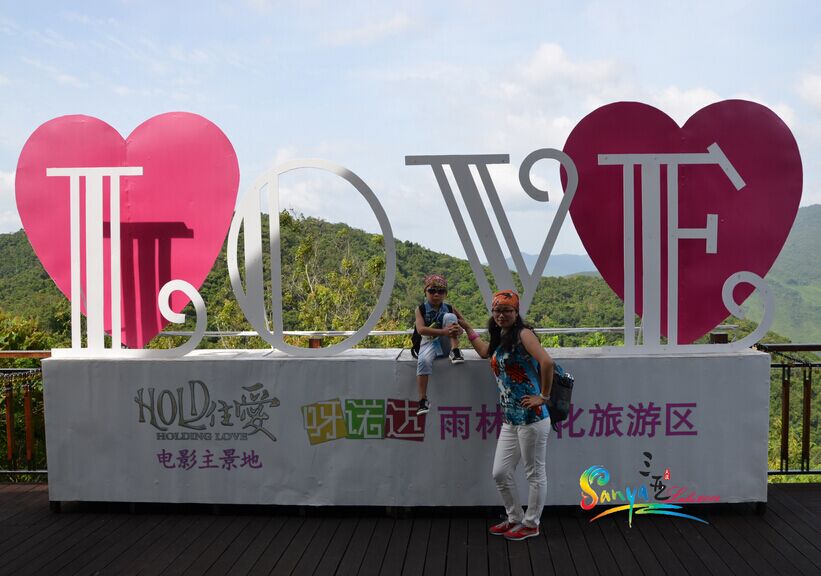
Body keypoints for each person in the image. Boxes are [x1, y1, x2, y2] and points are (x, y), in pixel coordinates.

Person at [461, 289, 554, 541]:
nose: (501, 315)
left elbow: (547, 362)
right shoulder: (500, 335)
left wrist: (543, 396)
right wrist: (467, 328)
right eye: (497, 310)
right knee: (500, 472)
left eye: (507, 310)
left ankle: (531, 524)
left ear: (516, 312)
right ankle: (514, 518)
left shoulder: (523, 334)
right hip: (511, 419)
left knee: (534, 474)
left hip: (532, 417)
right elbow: (484, 352)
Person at [415, 274, 466, 415]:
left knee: (450, 317)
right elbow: (421, 329)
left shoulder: (449, 308)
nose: (436, 294)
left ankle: (455, 350)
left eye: (441, 291)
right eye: (432, 291)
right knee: (423, 361)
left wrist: (457, 330)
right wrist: (443, 331)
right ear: (425, 292)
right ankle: (422, 399)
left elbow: (462, 327)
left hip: (446, 342)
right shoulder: (421, 309)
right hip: (429, 342)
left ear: (445, 294)